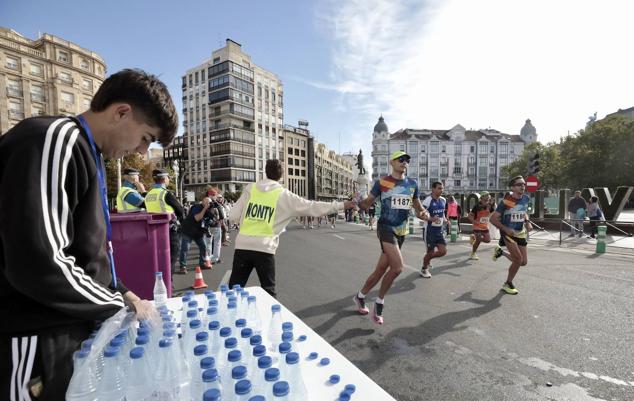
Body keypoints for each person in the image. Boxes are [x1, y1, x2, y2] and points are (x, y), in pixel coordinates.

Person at [0, 68, 177, 400]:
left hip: (66, 329)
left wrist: (125, 293)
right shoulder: (55, 139)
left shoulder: (88, 152)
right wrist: (117, 306)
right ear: (121, 112)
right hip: (33, 335)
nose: (141, 153)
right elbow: (40, 262)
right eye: (145, 138)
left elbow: (89, 252)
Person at [228, 159, 355, 297]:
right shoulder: (284, 195)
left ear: (265, 172)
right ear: (282, 175)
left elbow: (232, 215)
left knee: (234, 289)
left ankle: (229, 315)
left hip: (242, 245)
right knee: (268, 292)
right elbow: (312, 207)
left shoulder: (250, 189)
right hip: (264, 248)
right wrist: (342, 205)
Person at [353, 151, 430, 324]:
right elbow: (367, 203)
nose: (405, 162)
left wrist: (423, 213)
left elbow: (418, 209)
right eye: (401, 159)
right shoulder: (382, 182)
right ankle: (379, 302)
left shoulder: (412, 184)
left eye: (407, 160)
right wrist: (358, 202)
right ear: (392, 162)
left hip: (401, 231)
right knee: (397, 268)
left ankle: (360, 296)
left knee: (381, 270)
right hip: (385, 228)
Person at [490, 175, 533, 295]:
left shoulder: (525, 198)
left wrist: (527, 222)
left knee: (523, 262)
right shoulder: (506, 201)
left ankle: (500, 252)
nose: (523, 186)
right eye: (520, 184)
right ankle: (508, 283)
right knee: (518, 259)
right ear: (513, 187)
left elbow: (524, 212)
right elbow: (492, 219)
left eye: (524, 184)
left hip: (520, 233)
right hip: (508, 233)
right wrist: (505, 229)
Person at [145, 169, 185, 277]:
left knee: (158, 258)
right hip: (169, 231)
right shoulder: (166, 194)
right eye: (168, 177)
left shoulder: (148, 194)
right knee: (171, 258)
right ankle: (168, 284)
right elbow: (180, 211)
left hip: (153, 231)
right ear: (163, 179)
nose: (169, 180)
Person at [179, 197, 215, 273]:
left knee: (203, 247)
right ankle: (183, 266)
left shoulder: (209, 210)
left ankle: (202, 263)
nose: (208, 204)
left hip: (198, 232)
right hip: (188, 230)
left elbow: (211, 220)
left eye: (210, 203)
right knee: (185, 248)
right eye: (207, 202)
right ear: (203, 202)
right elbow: (197, 218)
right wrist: (204, 209)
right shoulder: (196, 207)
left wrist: (212, 209)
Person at [420, 182, 448, 278]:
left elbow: (442, 212)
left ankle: (427, 258)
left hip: (439, 231)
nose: (441, 190)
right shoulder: (428, 201)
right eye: (439, 188)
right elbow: (419, 214)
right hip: (429, 230)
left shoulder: (443, 200)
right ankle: (424, 268)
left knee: (443, 251)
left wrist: (444, 219)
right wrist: (431, 219)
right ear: (433, 189)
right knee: (431, 252)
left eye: (442, 188)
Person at [467, 191, 495, 260]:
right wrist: (474, 221)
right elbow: (469, 216)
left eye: (489, 195)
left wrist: (490, 218)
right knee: (478, 238)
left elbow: (493, 213)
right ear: (482, 197)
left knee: (488, 240)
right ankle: (473, 253)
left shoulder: (490, 205)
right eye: (486, 195)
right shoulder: (477, 206)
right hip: (477, 226)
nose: (488, 196)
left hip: (485, 226)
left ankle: (474, 238)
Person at [203, 188, 224, 265]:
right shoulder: (215, 203)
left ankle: (207, 258)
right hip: (216, 225)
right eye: (215, 195)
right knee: (217, 242)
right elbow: (222, 215)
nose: (216, 197)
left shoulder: (203, 202)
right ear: (211, 195)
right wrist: (221, 220)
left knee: (208, 242)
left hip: (207, 225)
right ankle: (215, 258)